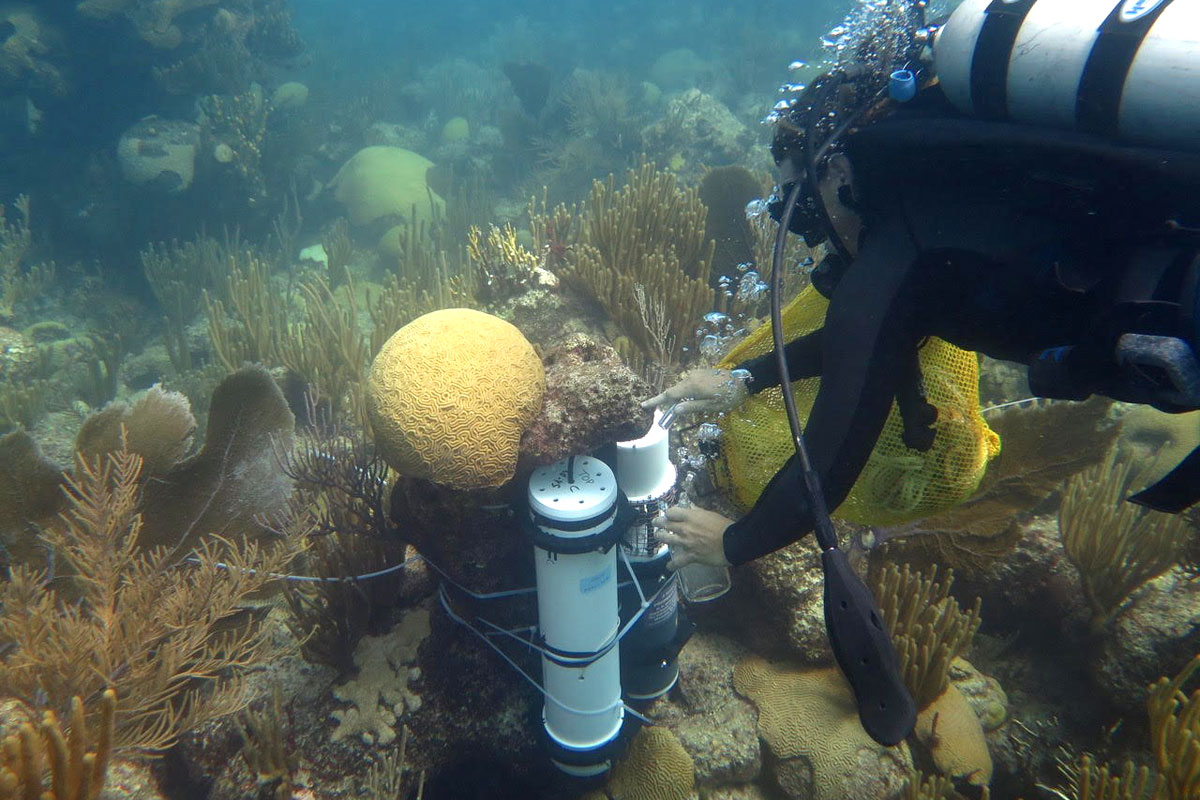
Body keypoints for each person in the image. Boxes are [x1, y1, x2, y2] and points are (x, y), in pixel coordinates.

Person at [645, 43, 1200, 573]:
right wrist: (745, 378)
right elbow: (863, 348)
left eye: (801, 200)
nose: (806, 229)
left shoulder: (898, 252)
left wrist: (736, 541)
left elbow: (832, 454)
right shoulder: (937, 209)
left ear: (838, 172)